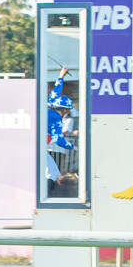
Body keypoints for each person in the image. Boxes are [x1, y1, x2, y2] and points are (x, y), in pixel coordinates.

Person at [46, 66, 74, 194]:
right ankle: (46, 197)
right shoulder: (56, 119)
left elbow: (56, 91)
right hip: (37, 148)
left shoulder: (51, 103)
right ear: (62, 109)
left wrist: (61, 75)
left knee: (55, 172)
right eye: (66, 110)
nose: (66, 113)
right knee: (51, 173)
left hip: (39, 147)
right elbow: (58, 140)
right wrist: (71, 146)